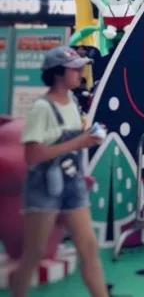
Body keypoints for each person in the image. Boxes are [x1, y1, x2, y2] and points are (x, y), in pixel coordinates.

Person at [10, 47, 108, 297]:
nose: (80, 72)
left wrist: (88, 138)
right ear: (57, 73)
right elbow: (32, 155)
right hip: (44, 186)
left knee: (89, 248)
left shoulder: (73, 102)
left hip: (73, 183)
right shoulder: (42, 108)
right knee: (35, 253)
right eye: (74, 68)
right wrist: (78, 143)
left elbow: (74, 143)